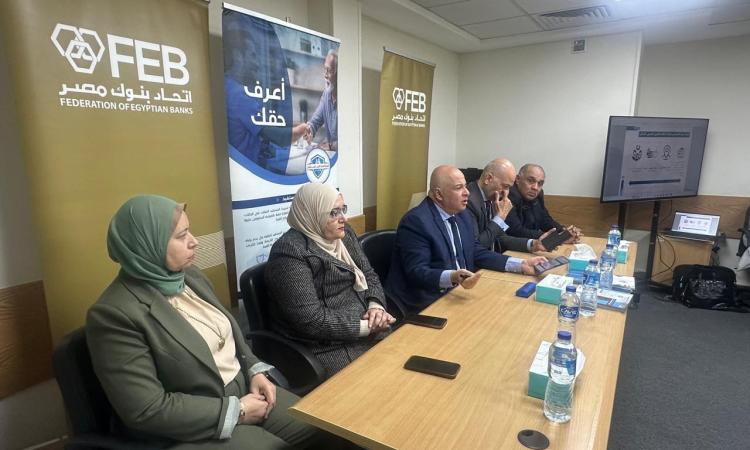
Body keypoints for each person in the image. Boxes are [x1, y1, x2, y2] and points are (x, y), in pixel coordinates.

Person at [87, 195, 334, 448]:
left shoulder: (189, 277)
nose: (194, 241)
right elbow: (147, 409)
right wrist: (237, 411)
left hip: (244, 390)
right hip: (193, 424)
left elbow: (227, 334)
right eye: (181, 236)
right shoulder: (114, 315)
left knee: (327, 428)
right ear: (147, 245)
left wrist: (254, 369)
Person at [265, 183, 394, 377]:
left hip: (369, 326)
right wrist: (366, 327)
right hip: (327, 345)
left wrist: (376, 306)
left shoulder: (343, 234)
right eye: (334, 213)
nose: (344, 218)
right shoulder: (289, 253)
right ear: (312, 214)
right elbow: (311, 320)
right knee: (375, 382)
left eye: (343, 209)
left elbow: (368, 274)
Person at [385, 165, 547, 313]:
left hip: (458, 293)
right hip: (425, 302)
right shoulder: (416, 221)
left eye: (465, 186)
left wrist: (521, 264)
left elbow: (476, 251)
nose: (467, 192)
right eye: (459, 188)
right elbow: (417, 272)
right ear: (438, 194)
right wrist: (452, 277)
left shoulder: (461, 215)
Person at [466, 158, 551, 253]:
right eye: (505, 186)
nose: (506, 193)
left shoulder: (492, 197)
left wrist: (533, 244)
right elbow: (476, 247)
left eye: (509, 188)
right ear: (488, 179)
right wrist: (499, 219)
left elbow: (500, 237)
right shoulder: (468, 201)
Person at [505, 163, 582, 242]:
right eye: (530, 181)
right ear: (517, 179)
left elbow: (545, 221)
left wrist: (564, 231)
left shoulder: (538, 195)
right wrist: (555, 237)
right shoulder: (507, 196)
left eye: (540, 183)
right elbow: (515, 231)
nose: (535, 187)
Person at [293, 50, 338, 152]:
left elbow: (351, 137)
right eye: (325, 69)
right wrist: (310, 130)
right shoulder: (326, 94)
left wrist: (331, 146)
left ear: (338, 74)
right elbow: (315, 121)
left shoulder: (346, 99)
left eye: (329, 71)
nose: (325, 75)